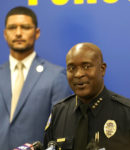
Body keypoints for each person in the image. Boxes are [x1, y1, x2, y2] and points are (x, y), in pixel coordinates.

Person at [44, 42, 130, 150]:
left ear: (102, 69)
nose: (78, 74)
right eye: (71, 68)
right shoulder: (58, 113)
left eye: (86, 66)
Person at [0, 6, 72, 150]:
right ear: (5, 34)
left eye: (25, 27)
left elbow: (62, 132)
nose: (19, 33)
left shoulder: (56, 76)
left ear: (37, 32)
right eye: (13, 28)